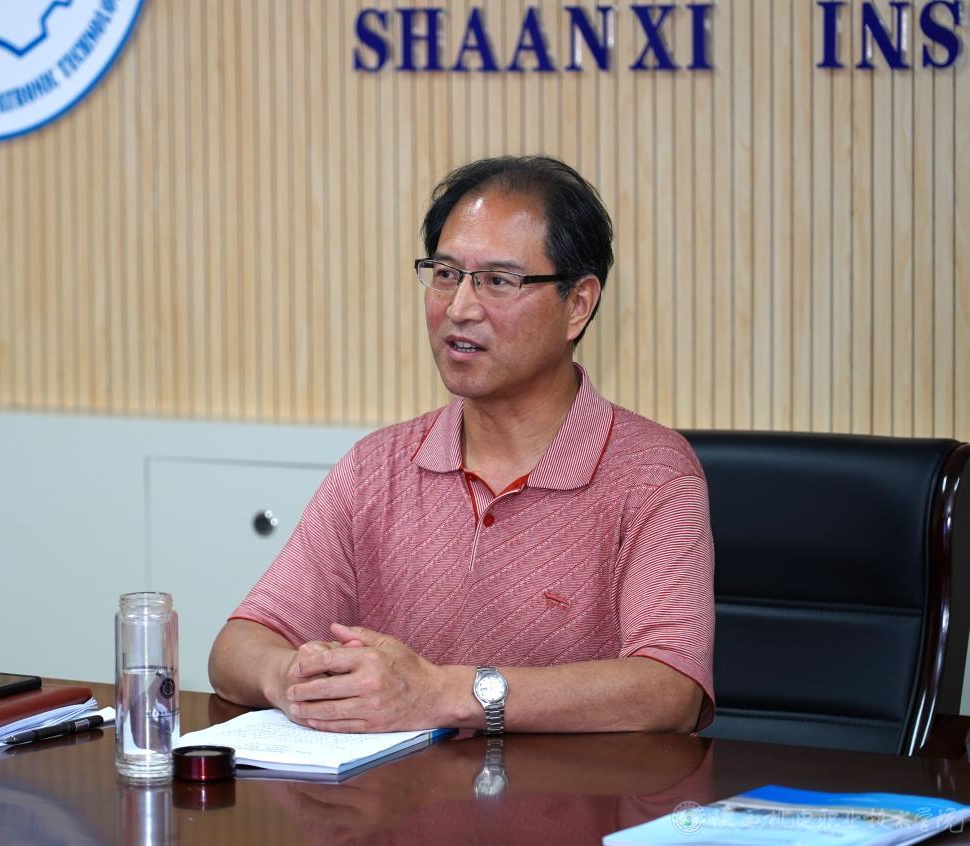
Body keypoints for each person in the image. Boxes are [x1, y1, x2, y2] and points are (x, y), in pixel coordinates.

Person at [208, 156, 714, 735]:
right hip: (404, 793)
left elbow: (670, 689)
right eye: (446, 274)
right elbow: (238, 646)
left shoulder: (653, 474)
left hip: (569, 794)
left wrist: (445, 693)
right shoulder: (376, 467)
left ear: (577, 304)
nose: (459, 308)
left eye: (498, 281)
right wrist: (292, 676)